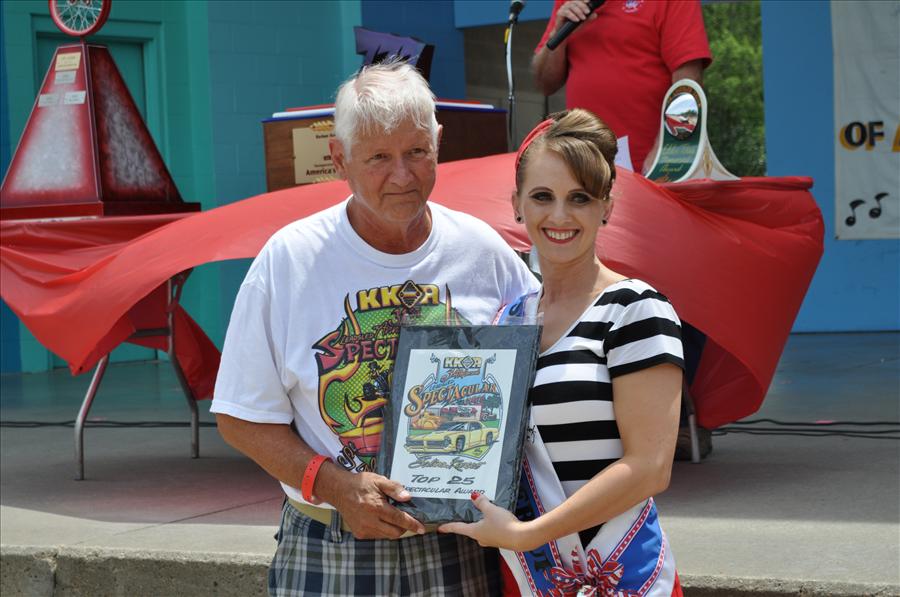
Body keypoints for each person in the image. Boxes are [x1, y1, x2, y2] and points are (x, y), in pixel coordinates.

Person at [211, 60, 540, 596]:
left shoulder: (484, 253)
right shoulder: (290, 261)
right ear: (339, 157)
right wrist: (337, 486)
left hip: (460, 544)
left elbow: (537, 370)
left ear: (439, 142)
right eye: (379, 158)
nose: (402, 175)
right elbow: (239, 417)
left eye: (417, 152)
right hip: (330, 542)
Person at [440, 110, 685, 596]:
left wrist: (529, 534)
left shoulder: (636, 310)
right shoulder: (506, 323)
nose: (559, 216)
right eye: (542, 197)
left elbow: (650, 467)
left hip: (621, 576)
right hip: (526, 578)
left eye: (580, 198)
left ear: (606, 207)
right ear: (516, 204)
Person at [532, 0, 712, 173]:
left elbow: (688, 81)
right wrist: (559, 33)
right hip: (582, 163)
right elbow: (544, 83)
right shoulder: (569, 2)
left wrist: (668, 150)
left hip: (645, 166)